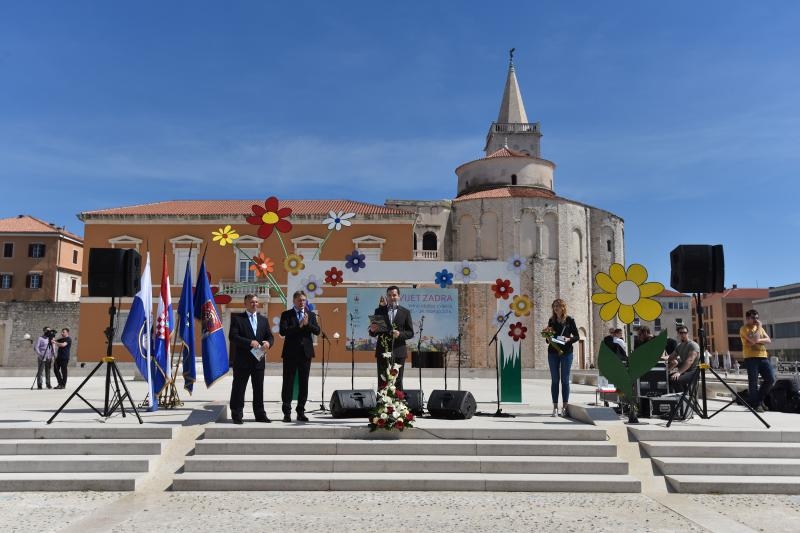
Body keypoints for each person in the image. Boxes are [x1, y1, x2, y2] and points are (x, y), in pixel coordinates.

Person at [228, 294, 274, 424]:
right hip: (242, 361)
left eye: (256, 302)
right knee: (239, 388)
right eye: (251, 302)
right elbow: (233, 337)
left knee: (259, 389)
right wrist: (250, 342)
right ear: (245, 304)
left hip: (258, 361)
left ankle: (260, 414)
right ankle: (237, 414)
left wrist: (268, 344)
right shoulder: (238, 319)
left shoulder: (263, 320)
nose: (254, 304)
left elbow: (270, 337)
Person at [279, 291, 320, 422]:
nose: (302, 302)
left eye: (303, 300)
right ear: (294, 301)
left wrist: (307, 324)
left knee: (304, 383)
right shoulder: (286, 315)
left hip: (305, 353)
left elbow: (317, 331)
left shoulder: (311, 315)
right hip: (290, 353)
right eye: (299, 300)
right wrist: (299, 325)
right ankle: (287, 412)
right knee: (288, 383)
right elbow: (283, 331)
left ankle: (301, 411)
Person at [368, 285, 414, 390]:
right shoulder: (379, 311)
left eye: (394, 295)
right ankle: (381, 405)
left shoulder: (405, 312)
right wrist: (372, 330)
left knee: (397, 380)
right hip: (383, 351)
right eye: (389, 295)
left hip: (399, 351)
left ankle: (398, 404)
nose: (392, 297)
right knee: (382, 379)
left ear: (399, 296)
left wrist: (400, 334)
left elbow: (410, 333)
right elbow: (374, 333)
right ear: (386, 297)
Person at [546, 299, 580, 417]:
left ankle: (564, 407)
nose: (555, 308)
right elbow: (548, 339)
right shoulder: (551, 320)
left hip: (566, 353)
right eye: (554, 306)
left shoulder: (570, 320)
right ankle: (555, 407)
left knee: (565, 381)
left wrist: (569, 339)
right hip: (553, 352)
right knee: (555, 380)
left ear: (563, 307)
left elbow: (577, 336)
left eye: (558, 306)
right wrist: (547, 335)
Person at [739, 309, 774, 412]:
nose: (756, 320)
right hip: (751, 358)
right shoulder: (744, 329)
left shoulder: (760, 329)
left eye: (757, 318)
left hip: (763, 356)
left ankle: (759, 400)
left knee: (770, 379)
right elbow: (754, 340)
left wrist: (756, 340)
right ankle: (755, 404)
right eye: (753, 318)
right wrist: (757, 334)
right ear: (747, 318)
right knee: (753, 381)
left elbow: (768, 340)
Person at [668, 325, 700, 394]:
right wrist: (657, 358)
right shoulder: (679, 346)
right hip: (684, 371)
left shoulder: (693, 345)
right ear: (678, 334)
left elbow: (690, 360)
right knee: (667, 378)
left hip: (693, 372)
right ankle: (679, 396)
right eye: (681, 333)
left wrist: (679, 372)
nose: (683, 334)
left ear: (687, 333)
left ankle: (683, 399)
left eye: (684, 332)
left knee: (675, 379)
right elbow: (670, 357)